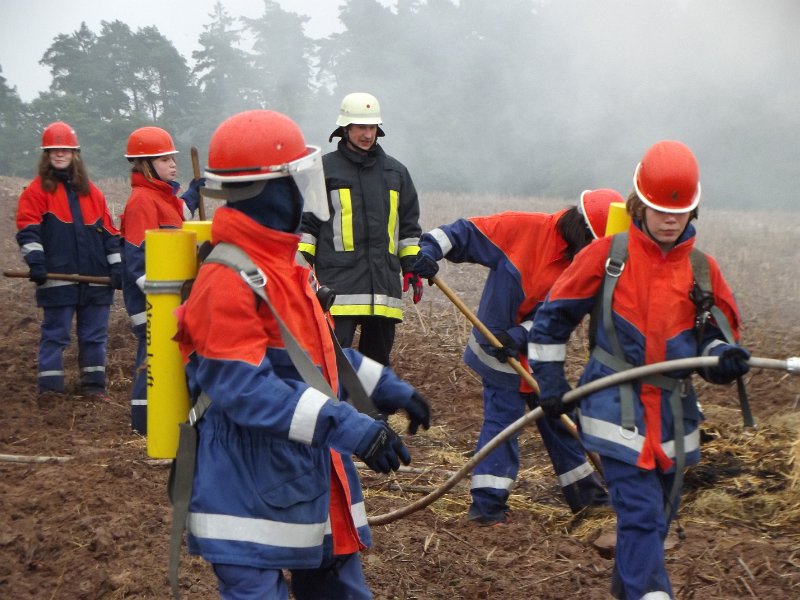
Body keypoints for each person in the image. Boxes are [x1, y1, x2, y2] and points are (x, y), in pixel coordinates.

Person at [173, 109, 431, 600]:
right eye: (299, 179)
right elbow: (245, 389)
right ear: (269, 191)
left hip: (305, 476)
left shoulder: (284, 267)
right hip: (246, 497)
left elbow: (320, 360)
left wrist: (390, 388)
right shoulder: (225, 280)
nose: (308, 193)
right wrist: (352, 427)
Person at [528, 141, 750, 599]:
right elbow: (551, 321)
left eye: (680, 212)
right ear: (640, 204)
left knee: (656, 521)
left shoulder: (702, 270)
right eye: (660, 210)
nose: (671, 220)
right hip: (614, 408)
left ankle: (627, 590)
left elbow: (713, 340)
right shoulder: (608, 257)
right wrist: (549, 381)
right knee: (642, 515)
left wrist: (724, 359)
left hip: (674, 417)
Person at [410, 191, 621, 525]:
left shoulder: (588, 269)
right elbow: (463, 232)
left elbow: (558, 319)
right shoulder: (523, 229)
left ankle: (589, 500)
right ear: (583, 232)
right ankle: (487, 508)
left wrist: (521, 335)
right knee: (504, 424)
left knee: (559, 418)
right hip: (497, 349)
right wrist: (427, 250)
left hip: (540, 354)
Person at [299, 92, 423, 366]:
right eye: (361, 127)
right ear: (345, 128)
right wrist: (301, 269)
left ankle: (372, 399)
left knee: (376, 370)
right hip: (337, 289)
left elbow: (409, 230)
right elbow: (307, 227)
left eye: (372, 127)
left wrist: (412, 267)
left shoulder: (396, 173)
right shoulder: (323, 170)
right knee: (334, 365)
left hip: (383, 290)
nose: (367, 134)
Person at [15, 121, 122, 397]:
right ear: (47, 155)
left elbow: (110, 234)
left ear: (75, 154)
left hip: (96, 279)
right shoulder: (36, 192)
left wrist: (117, 267)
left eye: (65, 149)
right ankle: (50, 391)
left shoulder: (93, 193)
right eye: (54, 150)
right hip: (57, 278)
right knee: (55, 335)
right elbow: (28, 231)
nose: (60, 154)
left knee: (94, 337)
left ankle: (94, 387)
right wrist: (36, 263)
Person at [119, 126, 204, 434]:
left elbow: (179, 213)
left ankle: (160, 419)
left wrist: (193, 192)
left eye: (172, 158)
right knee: (152, 361)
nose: (173, 164)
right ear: (146, 165)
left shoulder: (161, 197)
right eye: (165, 159)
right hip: (152, 303)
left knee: (165, 360)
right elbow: (137, 261)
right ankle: (144, 425)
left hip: (169, 300)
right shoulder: (142, 201)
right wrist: (161, 297)